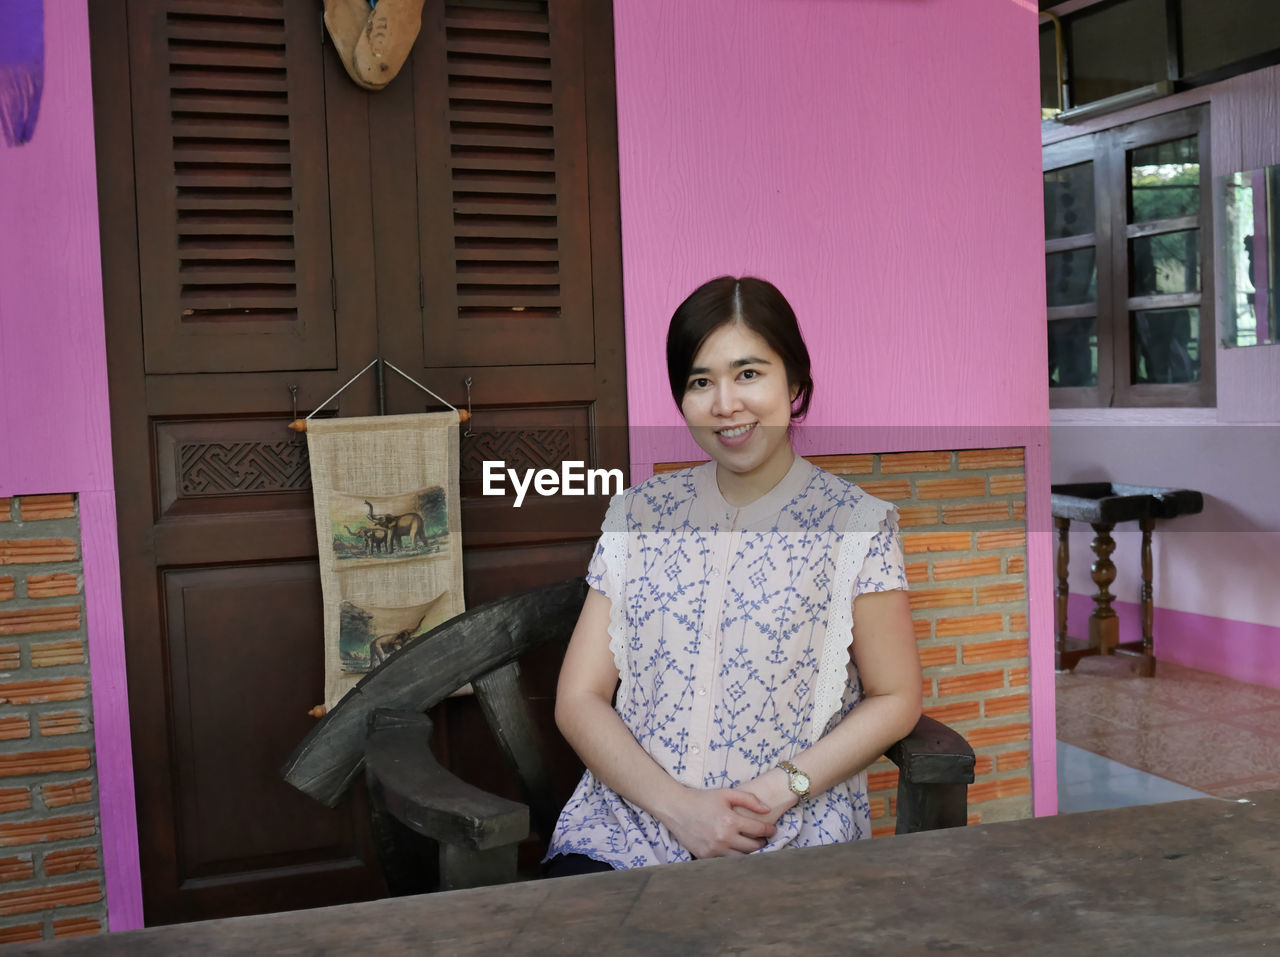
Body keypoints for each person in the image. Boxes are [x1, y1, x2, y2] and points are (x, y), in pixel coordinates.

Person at [544, 276, 922, 877]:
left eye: (749, 373)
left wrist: (780, 789)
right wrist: (681, 810)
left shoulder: (856, 525)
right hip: (627, 832)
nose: (726, 404)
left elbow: (896, 696)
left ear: (794, 383)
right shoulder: (638, 514)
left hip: (788, 834)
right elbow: (579, 697)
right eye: (701, 381)